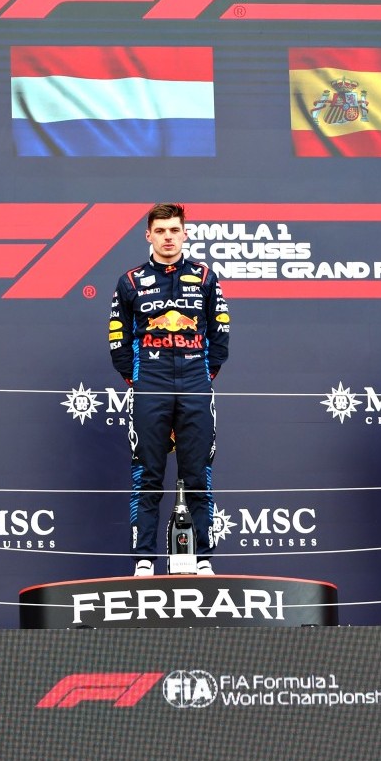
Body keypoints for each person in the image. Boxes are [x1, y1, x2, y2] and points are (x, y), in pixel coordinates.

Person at [109, 203, 230, 576]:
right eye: (160, 231)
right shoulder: (130, 281)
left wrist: (201, 376)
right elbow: (118, 337)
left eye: (174, 230)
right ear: (149, 235)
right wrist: (138, 379)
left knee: (198, 473)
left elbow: (220, 333)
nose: (167, 237)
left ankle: (204, 559)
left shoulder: (206, 277)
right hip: (151, 386)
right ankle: (143, 558)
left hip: (194, 384)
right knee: (147, 472)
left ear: (185, 234)